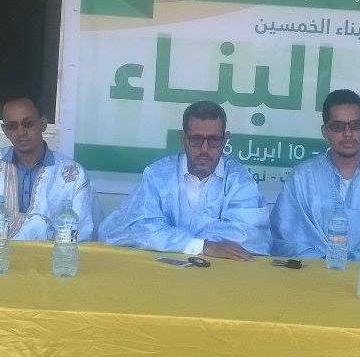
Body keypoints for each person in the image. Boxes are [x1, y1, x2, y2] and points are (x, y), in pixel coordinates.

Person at [99, 101, 270, 259]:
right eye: (196, 139)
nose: (204, 149)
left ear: (225, 140)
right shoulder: (158, 175)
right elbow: (136, 228)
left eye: (214, 140)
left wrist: (169, 238)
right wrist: (202, 246)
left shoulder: (240, 180)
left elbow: (248, 236)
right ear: (183, 138)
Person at [270, 89, 360, 262]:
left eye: (355, 125)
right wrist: (328, 265)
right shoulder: (302, 177)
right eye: (337, 126)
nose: (348, 133)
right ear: (324, 131)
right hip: (312, 274)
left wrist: (351, 265)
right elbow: (287, 239)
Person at [0, 96, 101, 240]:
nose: (21, 132)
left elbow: (82, 229)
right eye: (12, 126)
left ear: (43, 124)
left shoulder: (72, 173)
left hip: (48, 258)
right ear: (5, 131)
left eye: (28, 123)